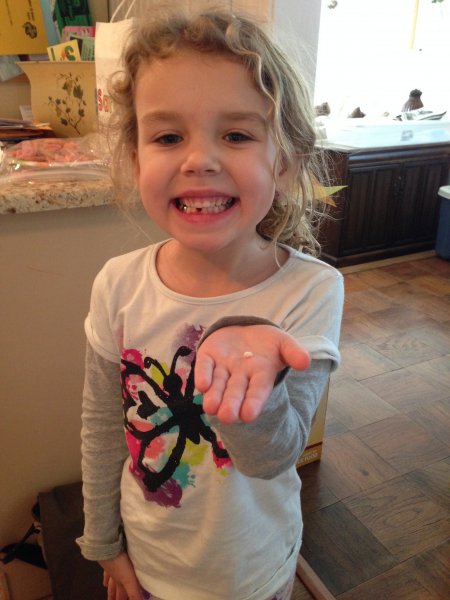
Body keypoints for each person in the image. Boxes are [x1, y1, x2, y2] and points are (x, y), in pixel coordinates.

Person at [77, 9, 343, 600]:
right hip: (148, 561)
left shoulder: (311, 292)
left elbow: (274, 457)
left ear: (285, 162)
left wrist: (255, 382)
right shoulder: (118, 285)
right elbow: (102, 428)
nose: (199, 159)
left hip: (252, 572)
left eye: (237, 135)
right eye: (168, 137)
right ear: (137, 158)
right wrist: (103, 542)